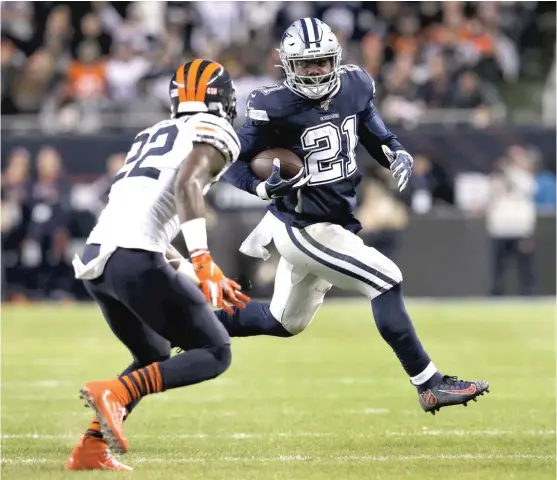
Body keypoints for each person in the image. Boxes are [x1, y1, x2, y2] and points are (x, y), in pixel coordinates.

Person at [219, 18, 489, 413]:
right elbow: (231, 162)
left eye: (323, 62)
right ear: (288, 65)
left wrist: (394, 148)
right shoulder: (271, 105)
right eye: (307, 64)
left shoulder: (355, 84)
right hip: (304, 226)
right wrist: (260, 188)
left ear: (336, 59)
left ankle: (189, 322)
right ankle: (429, 384)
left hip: (330, 220)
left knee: (283, 321)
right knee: (386, 280)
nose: (316, 71)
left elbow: (368, 124)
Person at [66, 59, 250, 471]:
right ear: (221, 100)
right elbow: (188, 185)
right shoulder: (216, 131)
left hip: (101, 261)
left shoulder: (150, 134)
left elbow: (137, 210)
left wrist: (183, 266)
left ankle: (92, 446)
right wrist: (203, 260)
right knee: (215, 349)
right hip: (134, 257)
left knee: (153, 353)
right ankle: (112, 393)